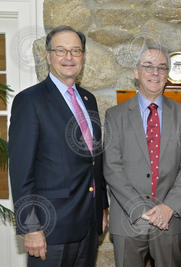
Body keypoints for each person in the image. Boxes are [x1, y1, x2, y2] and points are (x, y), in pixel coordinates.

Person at [9, 25, 109, 267]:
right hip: (49, 229)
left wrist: (102, 207)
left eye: (75, 51)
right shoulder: (30, 101)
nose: (69, 57)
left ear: (83, 57)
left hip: (87, 223)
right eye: (61, 50)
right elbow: (21, 172)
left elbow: (94, 158)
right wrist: (30, 228)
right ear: (48, 55)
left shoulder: (89, 99)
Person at [103, 46, 181, 267]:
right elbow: (112, 167)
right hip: (128, 218)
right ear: (136, 72)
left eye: (161, 68)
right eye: (148, 66)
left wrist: (168, 207)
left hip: (170, 220)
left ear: (167, 75)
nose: (155, 73)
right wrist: (139, 208)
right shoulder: (115, 116)